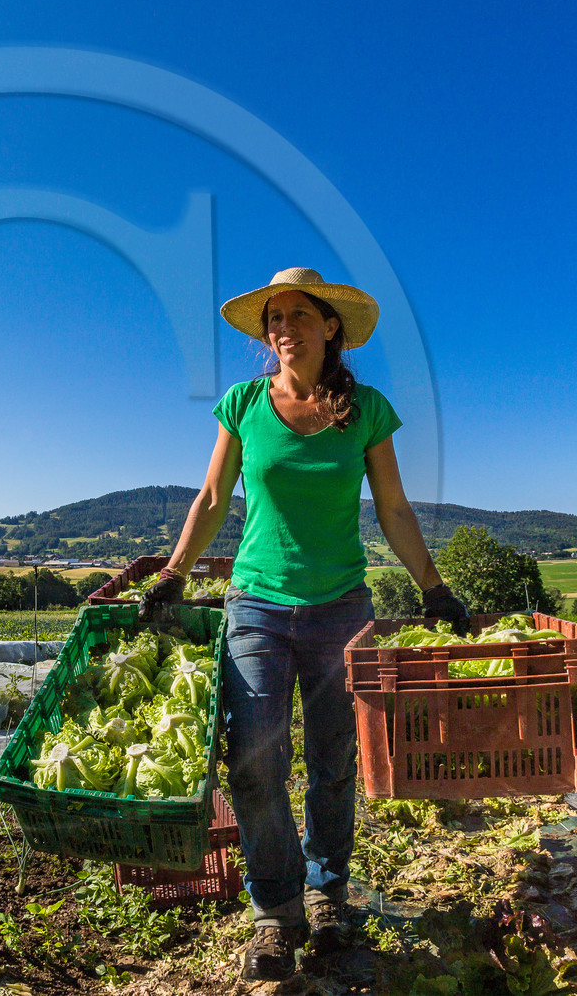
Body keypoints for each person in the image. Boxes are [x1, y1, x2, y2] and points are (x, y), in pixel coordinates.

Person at [138, 267, 468, 982]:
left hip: (341, 609)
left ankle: (326, 894)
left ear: (329, 327)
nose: (282, 327)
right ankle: (275, 909)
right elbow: (213, 496)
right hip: (255, 604)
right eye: (273, 318)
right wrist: (172, 572)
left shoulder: (366, 410)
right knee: (254, 758)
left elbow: (395, 509)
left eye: (297, 314)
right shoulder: (243, 403)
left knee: (333, 761)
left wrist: (434, 587)